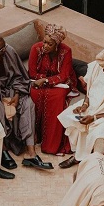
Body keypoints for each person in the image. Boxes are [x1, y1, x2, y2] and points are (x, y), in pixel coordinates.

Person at [0, 32, 53, 170]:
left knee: (28, 102)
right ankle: (2, 149)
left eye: (4, 47)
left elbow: (20, 77)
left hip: (11, 90)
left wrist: (16, 94)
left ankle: (31, 153)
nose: (5, 51)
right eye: (1, 50)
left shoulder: (8, 49)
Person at [29, 24, 77, 155]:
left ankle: (51, 145)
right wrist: (42, 80)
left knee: (57, 97)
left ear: (57, 44)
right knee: (35, 93)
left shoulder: (66, 51)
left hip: (61, 84)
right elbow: (32, 73)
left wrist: (46, 81)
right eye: (44, 42)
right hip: (39, 82)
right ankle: (36, 136)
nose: (45, 46)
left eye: (49, 44)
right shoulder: (36, 48)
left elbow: (64, 75)